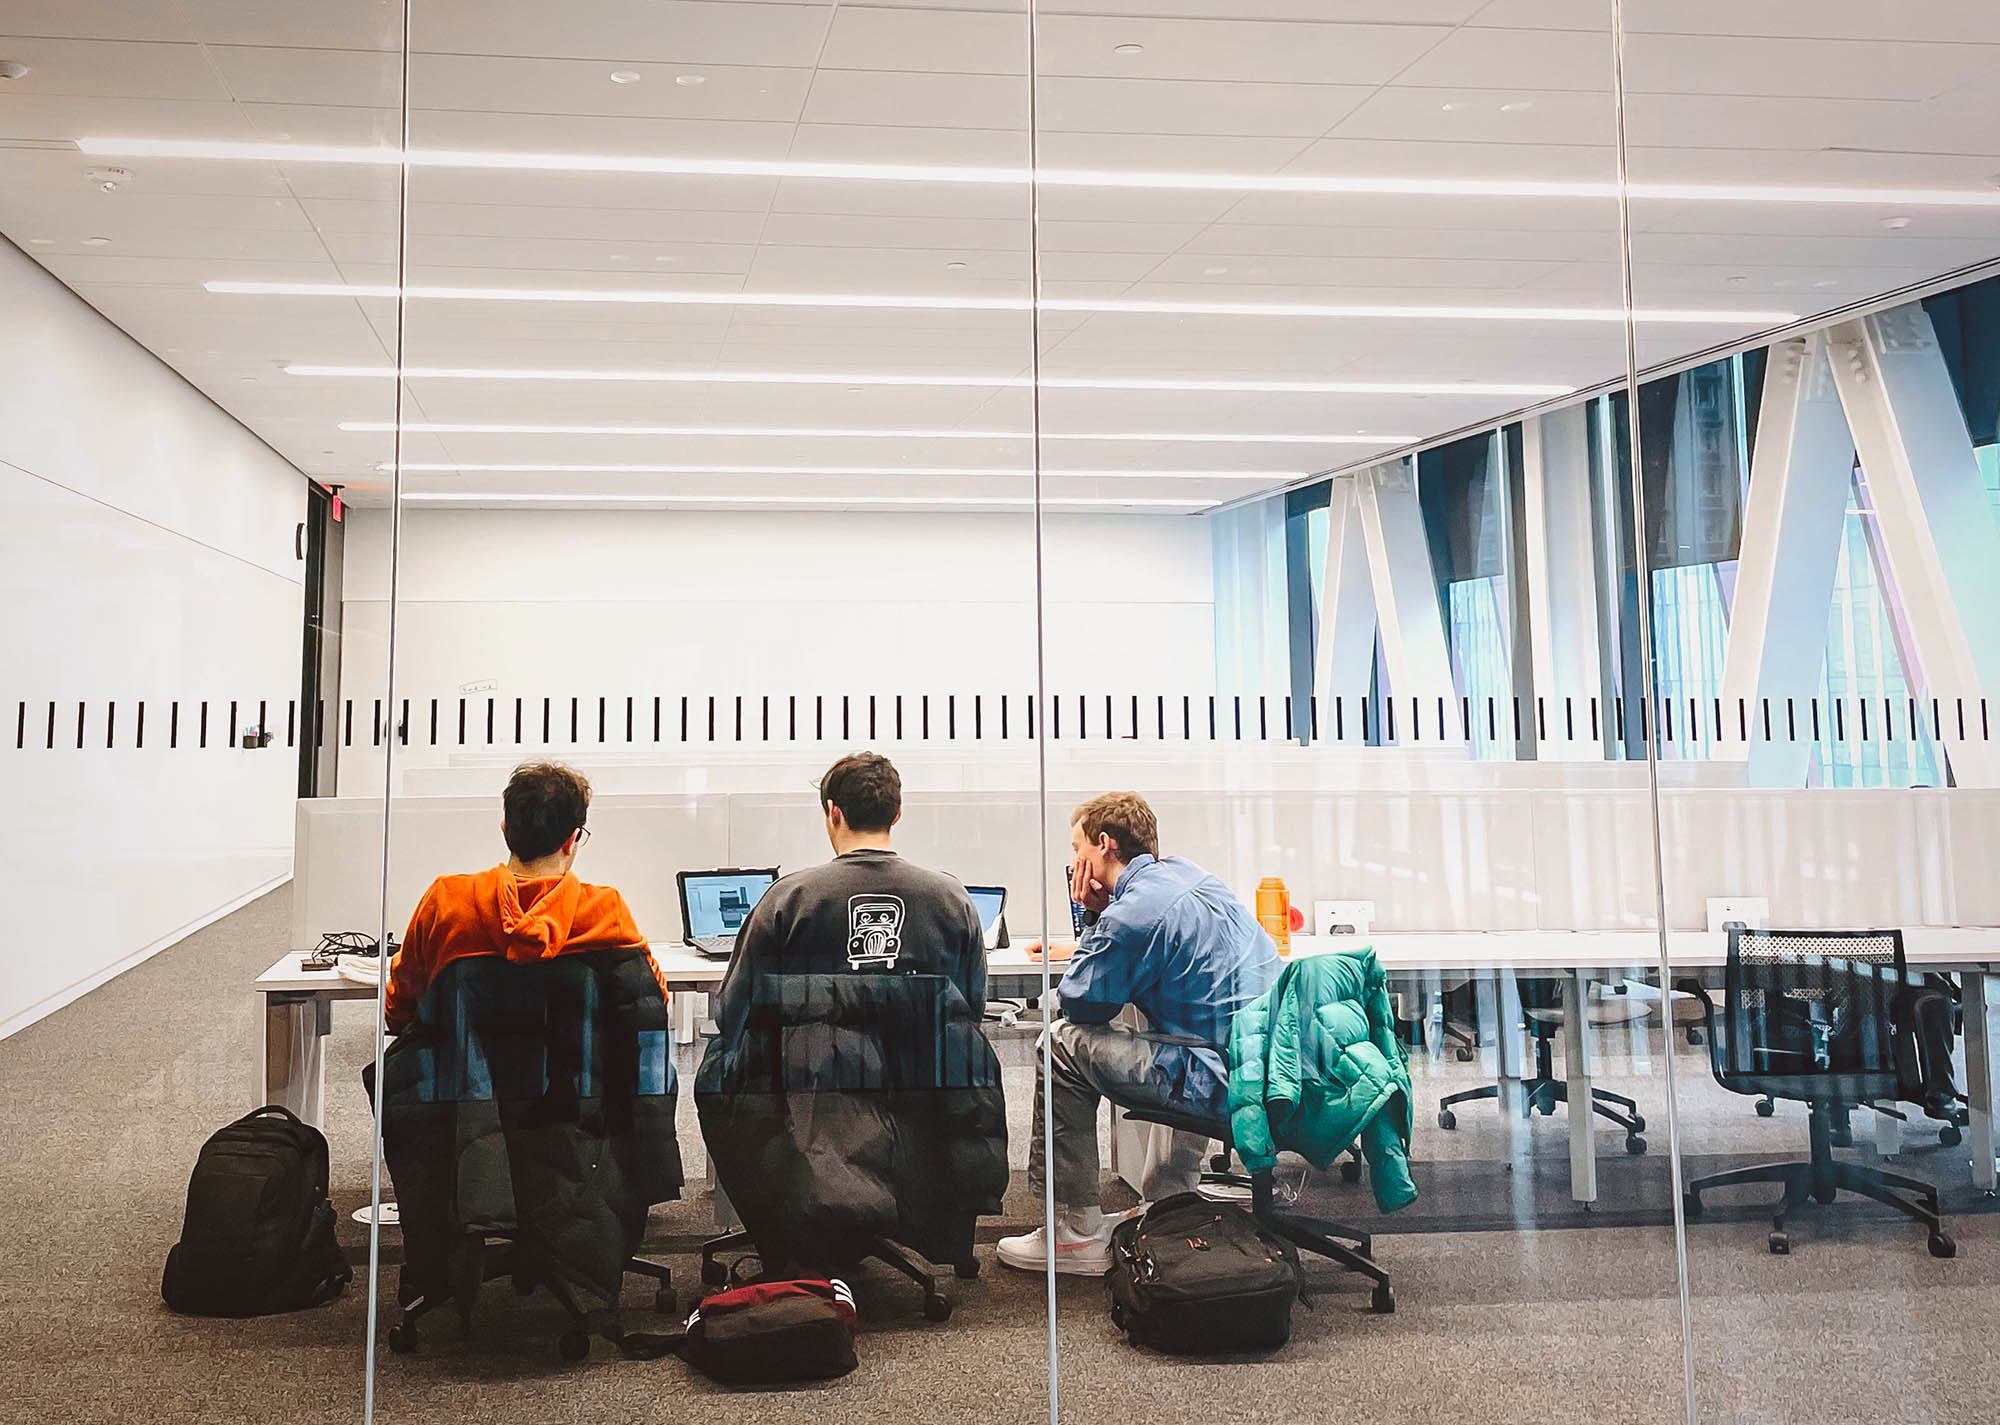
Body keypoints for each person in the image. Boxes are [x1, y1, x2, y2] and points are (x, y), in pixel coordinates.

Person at [696, 751, 1007, 1277]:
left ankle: (792, 1218)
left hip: (812, 1100)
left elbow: (735, 1010)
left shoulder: (788, 899)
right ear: (898, 813)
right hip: (919, 1094)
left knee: (718, 1065)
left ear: (831, 812)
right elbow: (970, 1008)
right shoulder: (952, 898)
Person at [997, 791, 1279, 1276]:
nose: (1073, 861)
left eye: (1075, 848)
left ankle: (1074, 1232)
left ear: (1104, 844)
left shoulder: (1132, 914)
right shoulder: (1190, 874)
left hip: (1220, 1078)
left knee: (1058, 1043)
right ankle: (1170, 1197)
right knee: (1152, 1019)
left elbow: (1082, 1003)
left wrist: (1091, 916)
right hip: (1269, 1063)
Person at [382, 761, 666, 1034]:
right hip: (575, 1083)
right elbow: (651, 1003)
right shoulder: (605, 909)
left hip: (463, 1082)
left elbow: (401, 1008)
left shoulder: (446, 899)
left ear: (505, 829)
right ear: (572, 840)